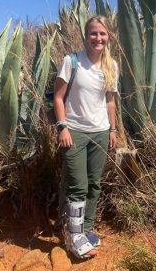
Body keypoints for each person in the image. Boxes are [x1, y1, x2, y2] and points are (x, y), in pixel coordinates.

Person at [53, 16, 118, 259]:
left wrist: (113, 130)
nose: (98, 38)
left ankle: (86, 227)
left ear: (108, 36)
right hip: (76, 133)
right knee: (77, 185)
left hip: (101, 133)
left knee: (94, 183)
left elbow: (110, 101)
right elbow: (58, 97)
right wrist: (63, 127)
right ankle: (74, 236)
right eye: (93, 33)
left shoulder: (112, 66)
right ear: (85, 35)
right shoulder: (72, 61)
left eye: (102, 34)